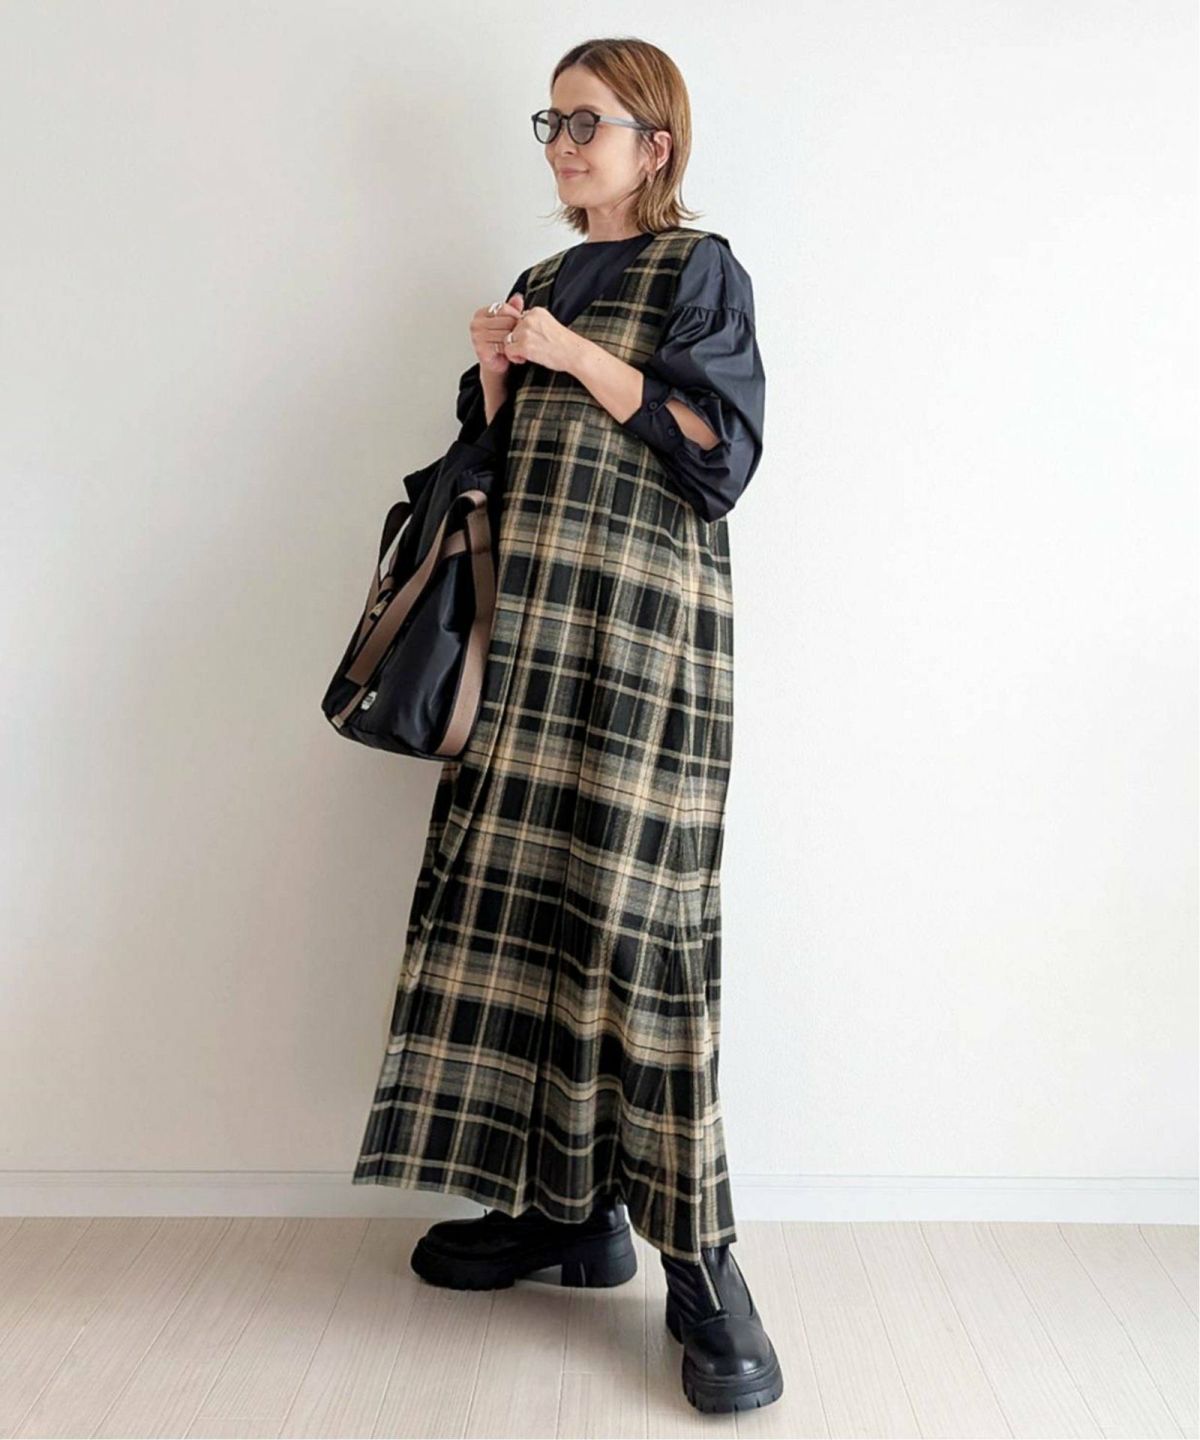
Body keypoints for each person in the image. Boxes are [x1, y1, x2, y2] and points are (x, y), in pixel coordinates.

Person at [351, 36, 779, 1415]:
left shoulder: (698, 270)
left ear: (657, 142)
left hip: (645, 652)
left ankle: (703, 1268)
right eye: (551, 123)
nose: (563, 145)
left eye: (586, 121)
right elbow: (486, 475)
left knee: (641, 936)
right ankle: (566, 1215)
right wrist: (494, 382)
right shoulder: (537, 285)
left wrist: (572, 354)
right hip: (528, 650)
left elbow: (720, 458)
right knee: (529, 913)